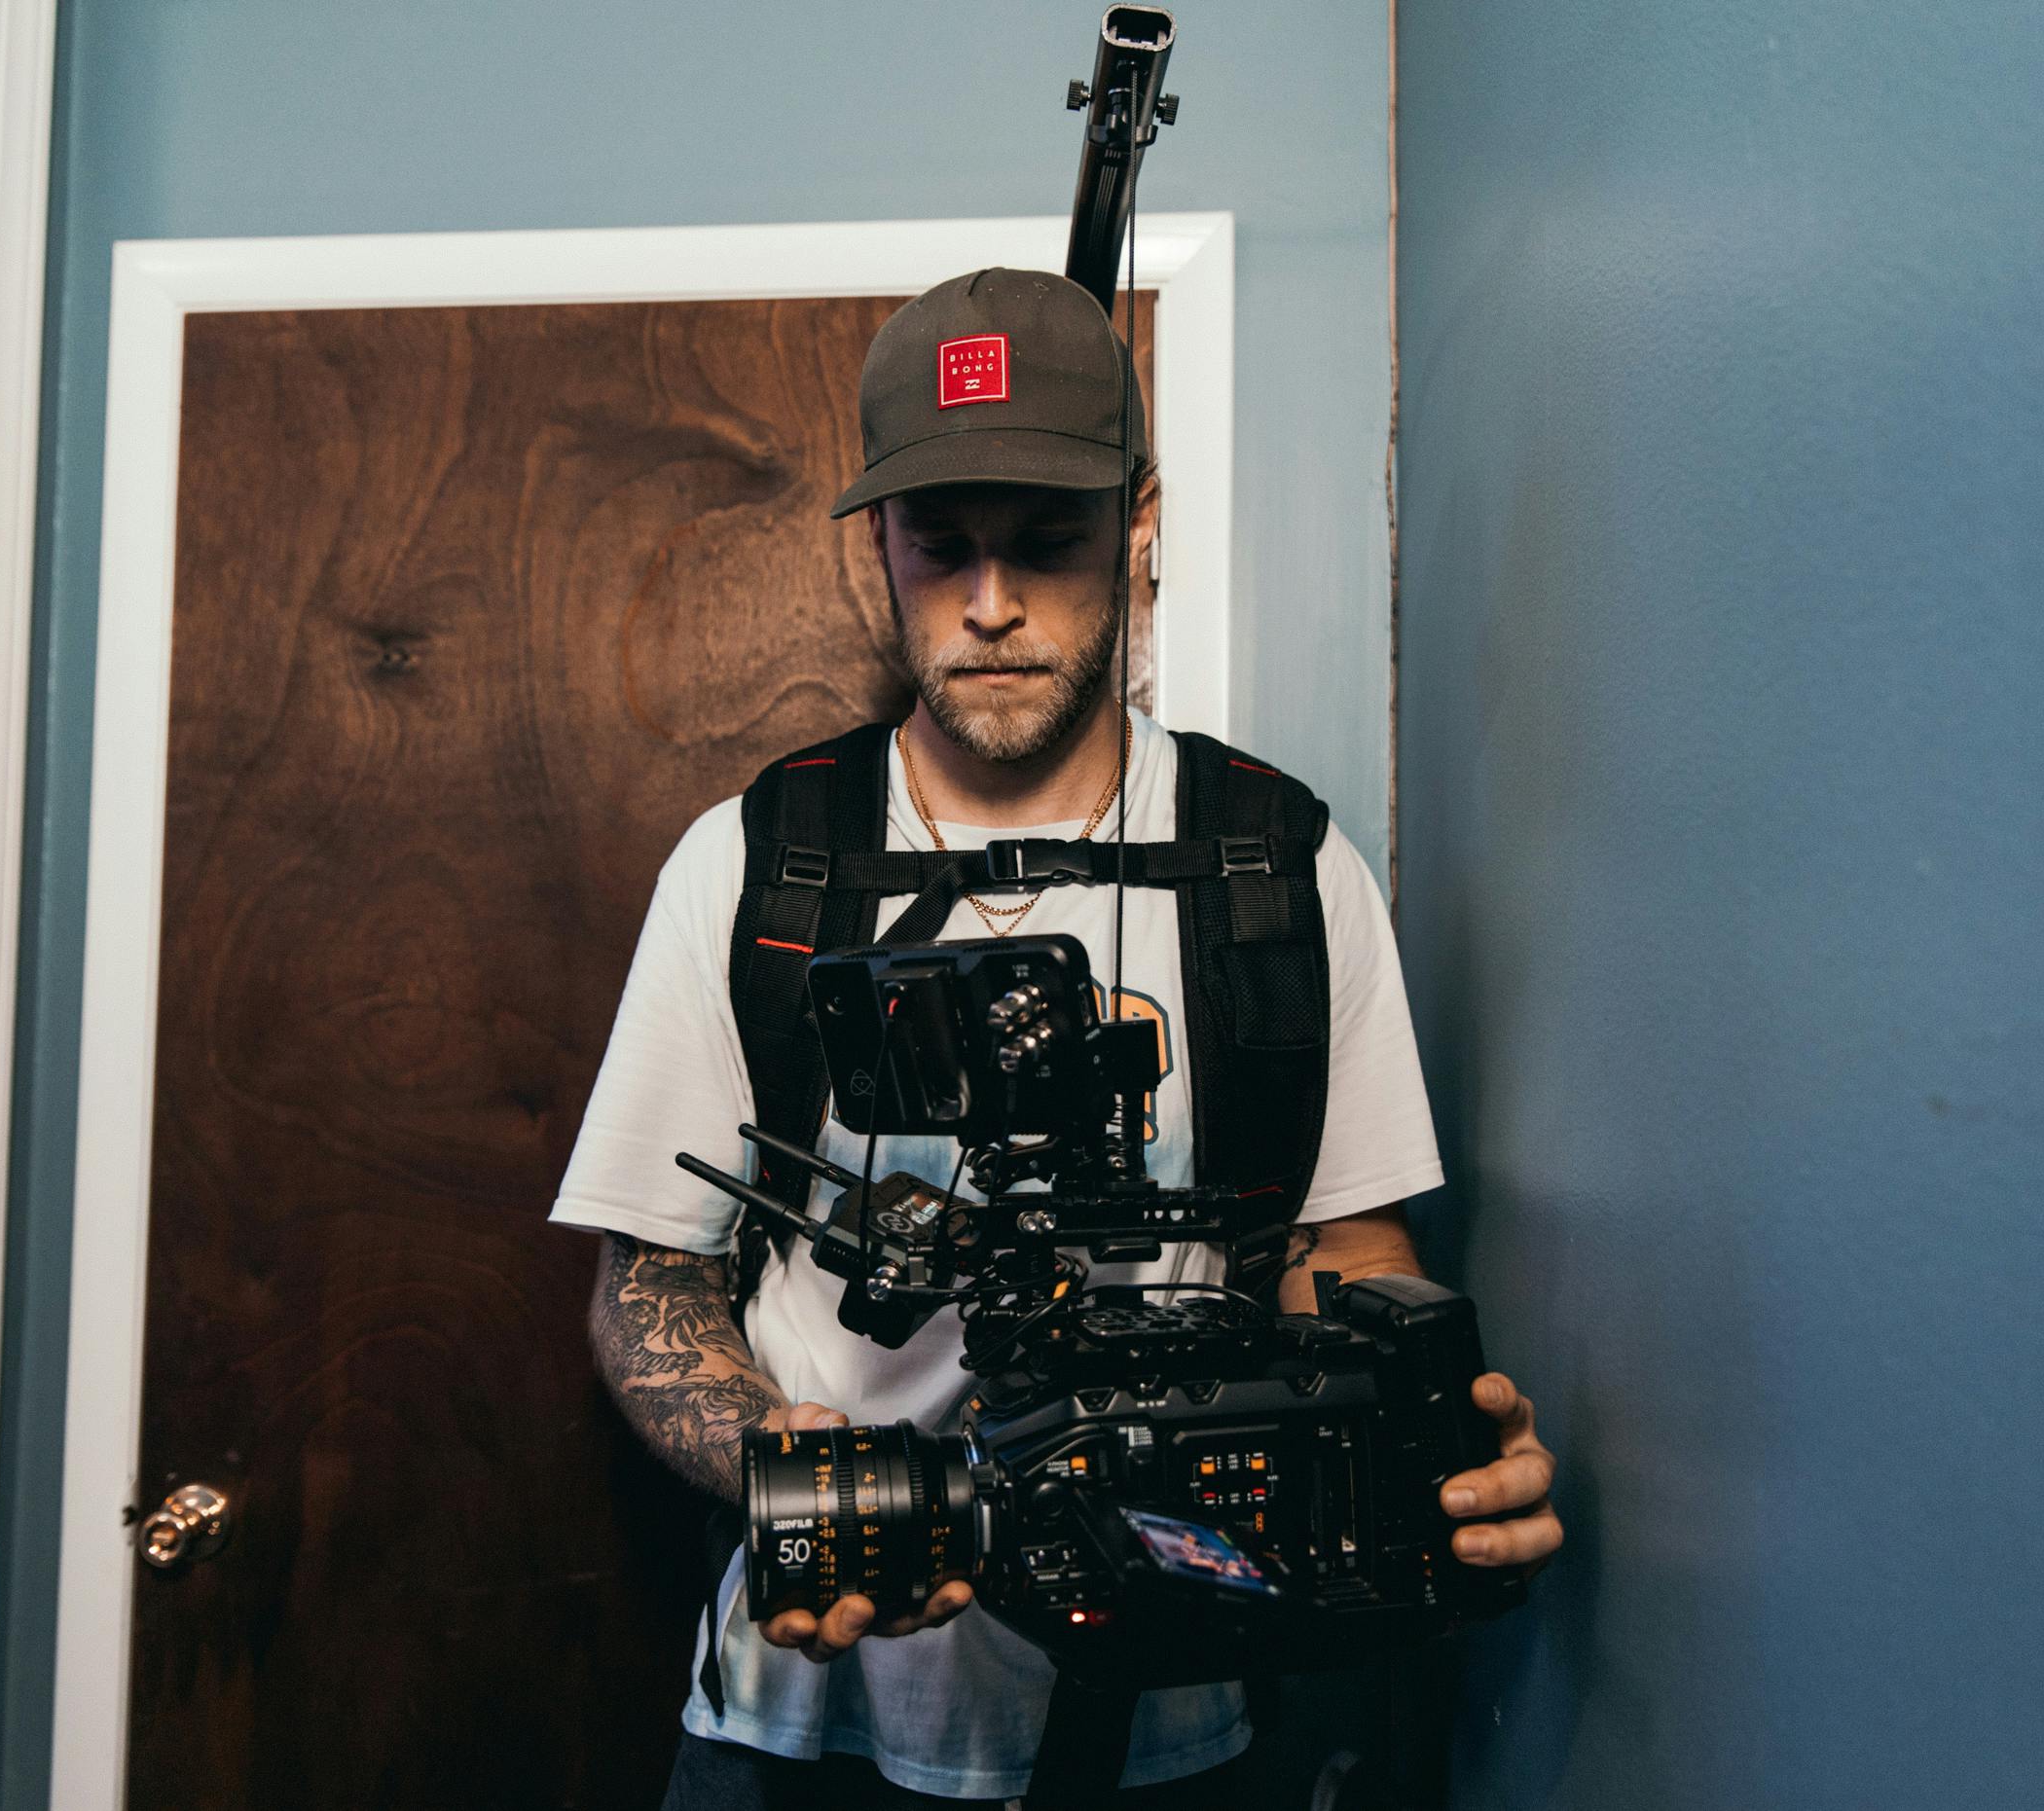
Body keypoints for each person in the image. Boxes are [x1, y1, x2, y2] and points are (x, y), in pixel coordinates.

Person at [551, 268, 1562, 1809]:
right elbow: (654, 1277)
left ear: (1138, 525)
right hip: (798, 1723)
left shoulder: (1273, 868)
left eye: (1048, 542)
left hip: (1181, 1719)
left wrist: (1419, 1446)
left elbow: (1339, 1246)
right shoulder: (760, 864)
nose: (992, 602)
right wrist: (795, 1466)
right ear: (875, 551)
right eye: (939, 544)